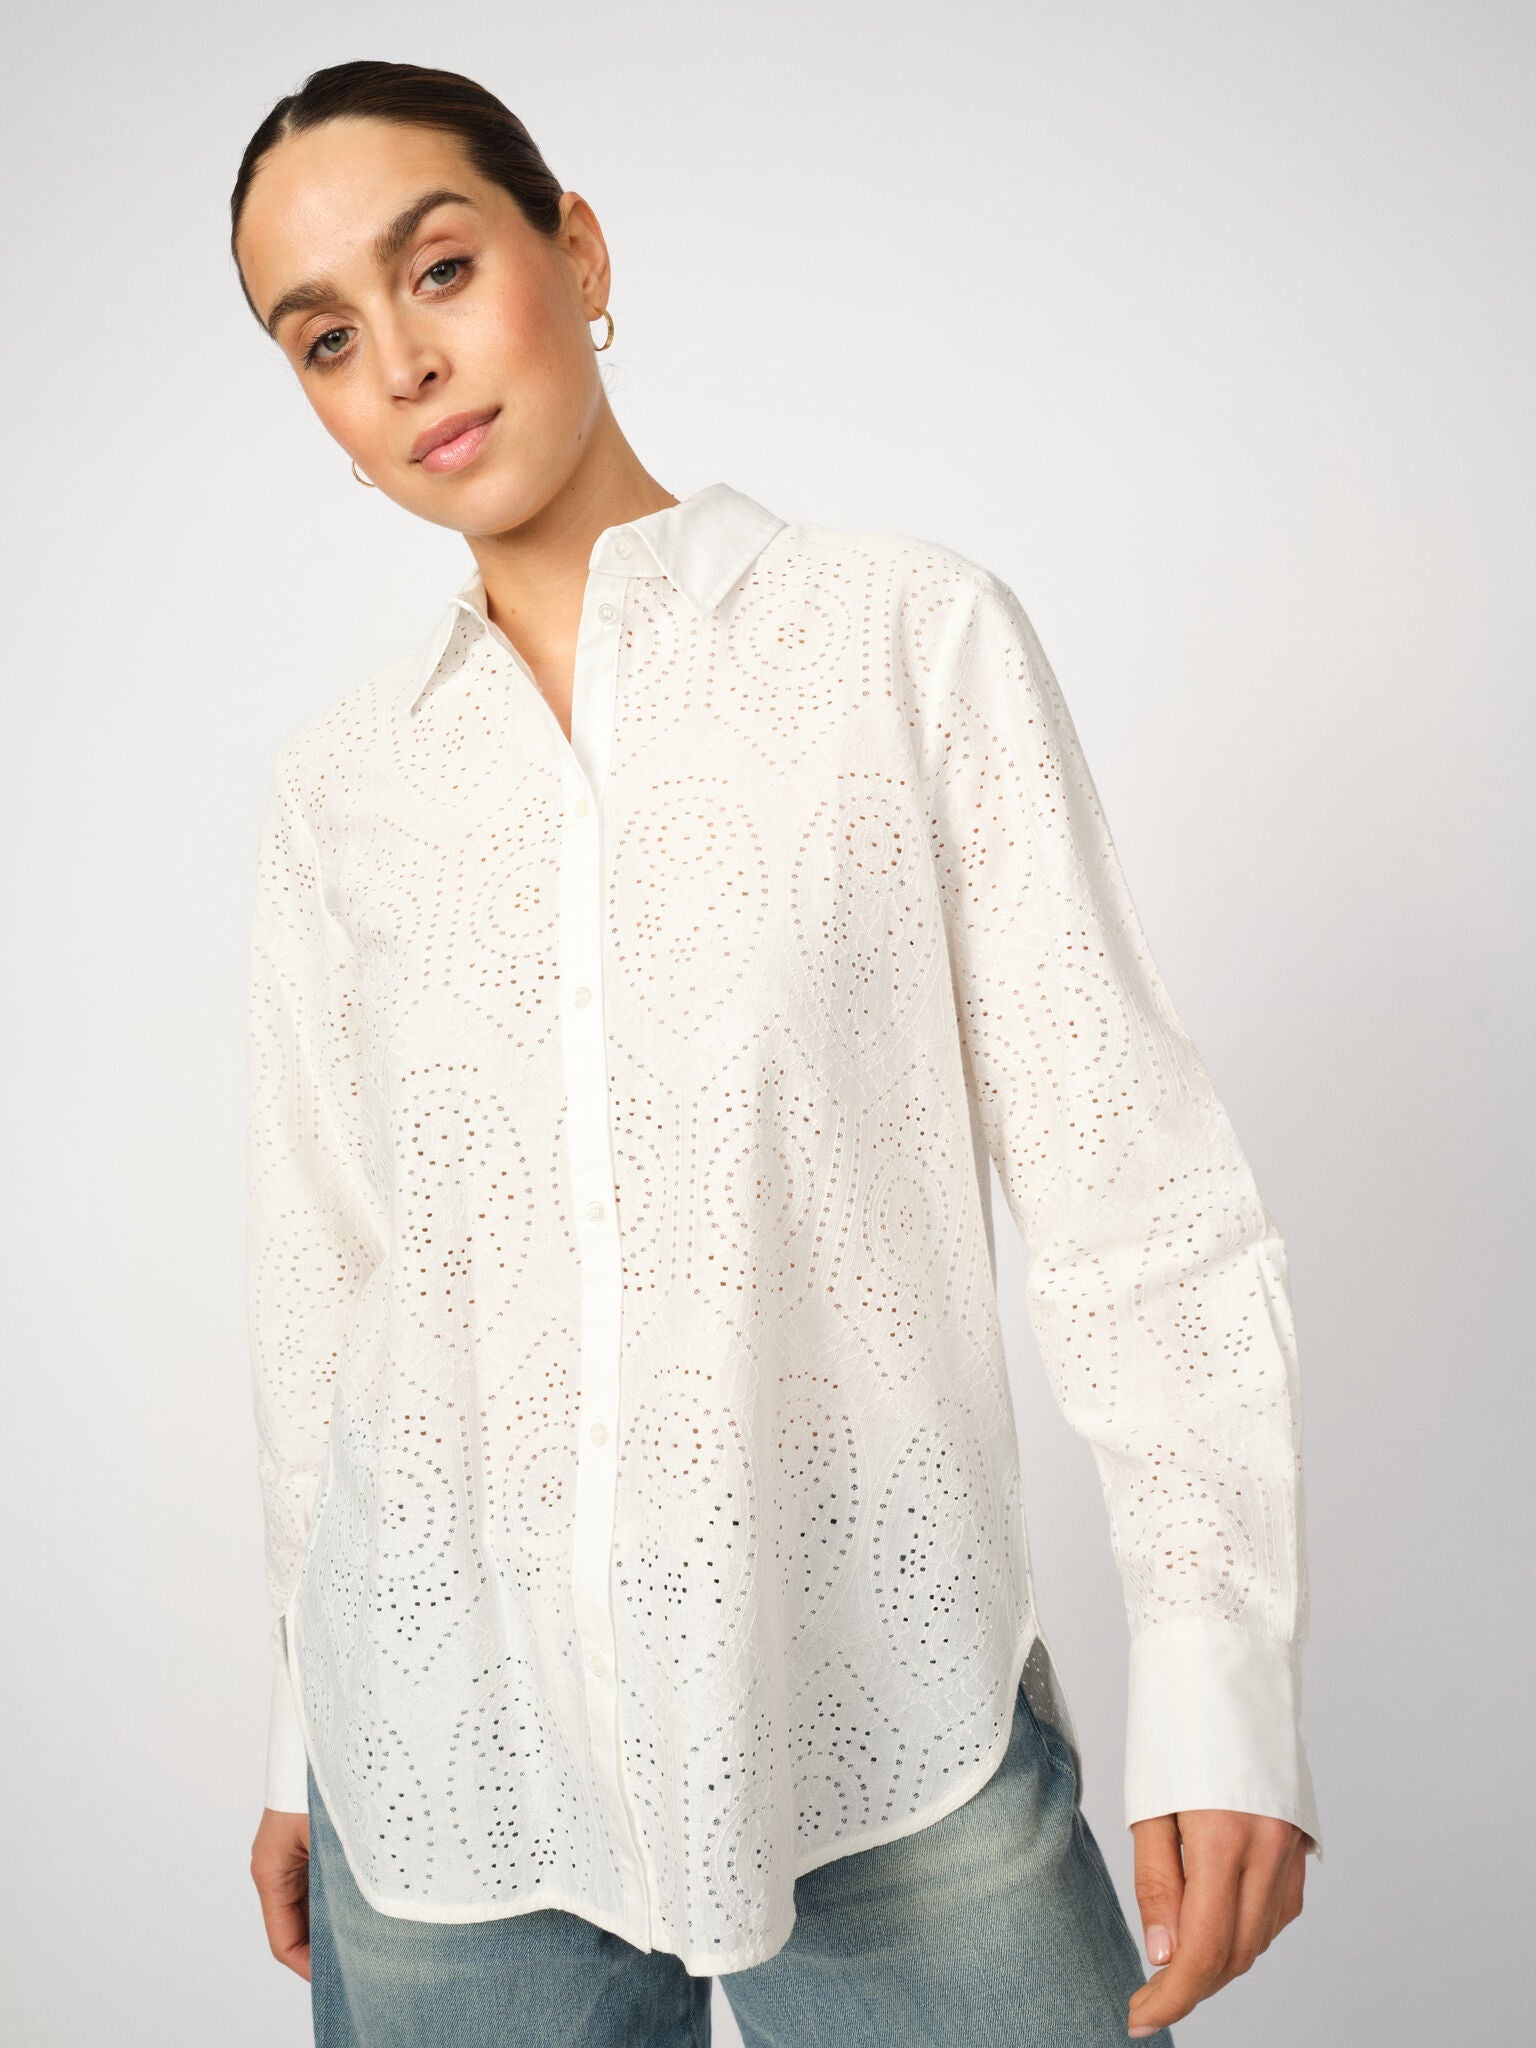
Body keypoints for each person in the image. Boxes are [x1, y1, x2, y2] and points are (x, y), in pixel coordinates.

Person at [231, 59, 1320, 2048]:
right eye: (324, 338)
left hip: (885, 1730)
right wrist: (310, 1725)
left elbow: (1134, 1198)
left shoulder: (905, 644)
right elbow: (335, 1295)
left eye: (441, 267)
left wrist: (1217, 1685)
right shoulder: (342, 789)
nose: (401, 362)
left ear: (578, 251)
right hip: (453, 1766)